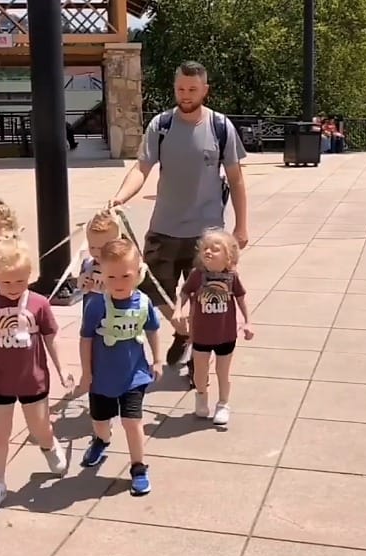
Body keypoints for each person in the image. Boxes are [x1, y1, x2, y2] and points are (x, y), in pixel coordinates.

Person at [111, 60, 249, 377]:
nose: (185, 95)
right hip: (164, 228)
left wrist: (241, 226)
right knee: (151, 287)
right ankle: (184, 331)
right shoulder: (161, 125)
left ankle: (197, 360)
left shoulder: (220, 127)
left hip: (207, 235)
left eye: (192, 89)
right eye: (180, 89)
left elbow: (236, 179)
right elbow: (142, 168)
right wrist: (121, 196)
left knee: (206, 297)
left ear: (205, 90)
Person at [0, 235, 70, 513]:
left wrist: (62, 368)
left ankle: (50, 446)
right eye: (7, 282)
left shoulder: (39, 303)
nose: (14, 288)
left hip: (33, 379)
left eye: (20, 281)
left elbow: (51, 337)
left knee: (40, 428)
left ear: (29, 275)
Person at [79, 238, 162, 496]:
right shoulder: (96, 305)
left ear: (138, 273)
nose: (118, 282)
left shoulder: (143, 303)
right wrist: (86, 373)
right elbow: (86, 339)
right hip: (102, 378)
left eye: (125, 276)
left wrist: (157, 360)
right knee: (100, 421)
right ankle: (102, 440)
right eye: (111, 277)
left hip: (134, 375)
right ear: (102, 275)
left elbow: (153, 330)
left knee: (132, 422)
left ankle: (138, 467)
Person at [172, 229, 253, 425]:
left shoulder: (232, 277)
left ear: (228, 256)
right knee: (200, 372)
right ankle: (201, 397)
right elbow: (184, 293)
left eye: (215, 249)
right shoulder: (197, 275)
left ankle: (223, 404)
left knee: (223, 372)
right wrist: (178, 310)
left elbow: (241, 298)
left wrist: (248, 322)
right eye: (205, 248)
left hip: (226, 334)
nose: (208, 252)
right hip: (201, 334)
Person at [77, 209, 121, 310]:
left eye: (101, 248)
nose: (96, 252)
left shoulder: (122, 266)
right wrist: (83, 284)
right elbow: (81, 288)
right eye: (92, 247)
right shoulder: (88, 264)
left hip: (115, 315)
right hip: (91, 314)